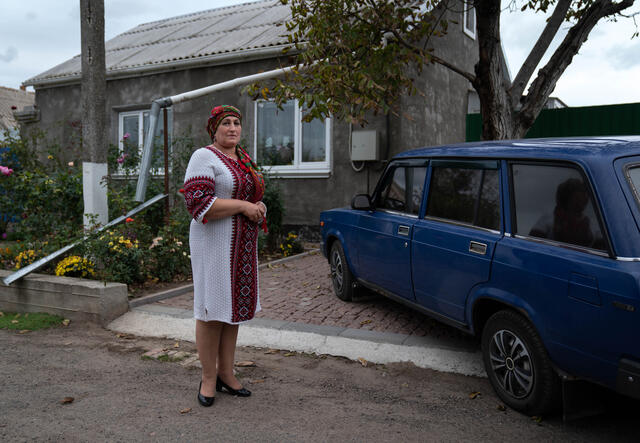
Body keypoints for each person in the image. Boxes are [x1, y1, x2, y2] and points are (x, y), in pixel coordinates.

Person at [181, 105, 267, 407]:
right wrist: (244, 207)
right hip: (213, 244)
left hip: (242, 246)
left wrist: (258, 208)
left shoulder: (243, 160)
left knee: (232, 311)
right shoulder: (204, 157)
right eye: (226, 124)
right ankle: (208, 378)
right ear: (214, 130)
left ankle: (227, 373)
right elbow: (198, 203)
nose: (233, 128)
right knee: (210, 309)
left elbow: (252, 196)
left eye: (236, 123)